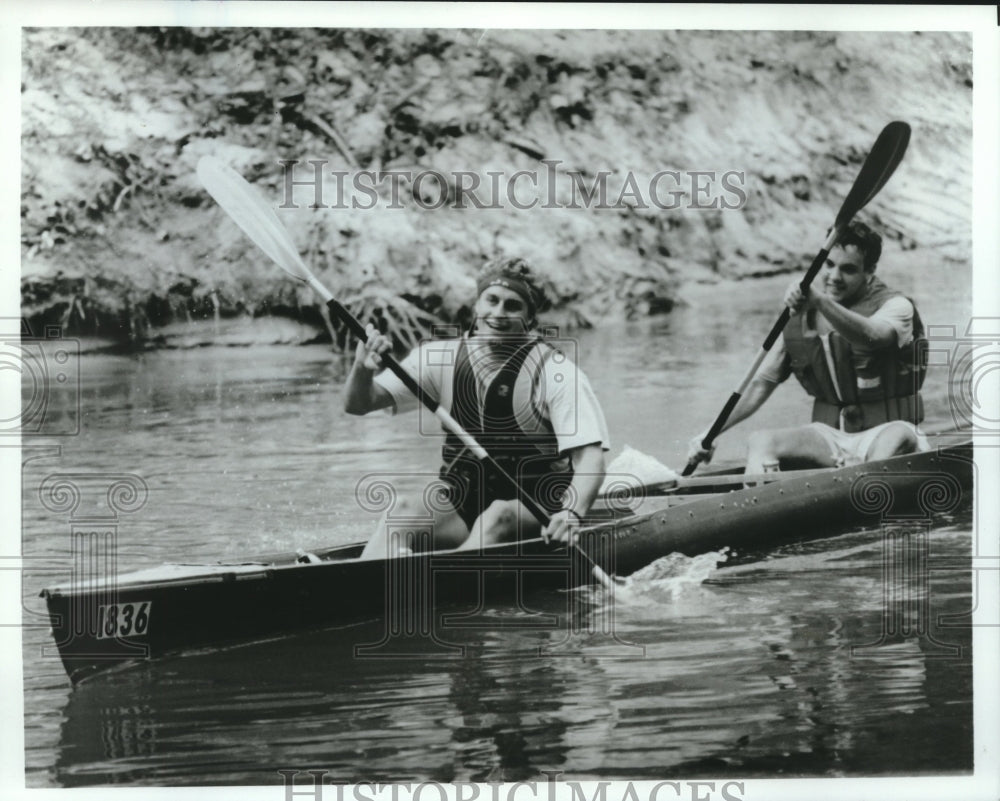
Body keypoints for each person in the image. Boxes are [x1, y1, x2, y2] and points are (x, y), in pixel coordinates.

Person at [345, 257, 610, 559]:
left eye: (513, 306)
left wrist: (572, 514)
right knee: (402, 510)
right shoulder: (438, 358)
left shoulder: (557, 373)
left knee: (497, 515)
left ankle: (441, 588)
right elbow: (359, 404)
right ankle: (363, 580)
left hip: (537, 513)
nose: (498, 313)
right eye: (492, 300)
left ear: (530, 319)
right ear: (476, 306)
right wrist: (362, 368)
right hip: (463, 507)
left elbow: (591, 459)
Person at [688, 220, 929, 474]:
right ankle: (766, 504)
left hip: (890, 431)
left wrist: (820, 301)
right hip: (830, 438)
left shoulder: (897, 307)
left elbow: (872, 335)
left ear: (869, 271)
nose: (834, 277)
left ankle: (864, 489)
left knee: (898, 437)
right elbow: (760, 386)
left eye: (848, 269)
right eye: (829, 265)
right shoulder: (799, 316)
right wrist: (709, 433)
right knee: (761, 441)